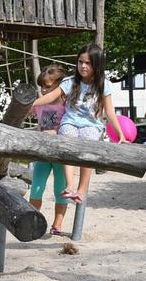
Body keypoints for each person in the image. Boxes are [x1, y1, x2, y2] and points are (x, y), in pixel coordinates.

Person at [30, 43, 128, 205]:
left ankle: (81, 190)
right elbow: (51, 96)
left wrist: (121, 135)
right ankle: (70, 185)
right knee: (67, 138)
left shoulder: (104, 85)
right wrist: (32, 104)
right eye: (80, 62)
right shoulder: (70, 82)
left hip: (92, 124)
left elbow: (109, 112)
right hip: (71, 121)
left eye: (88, 63)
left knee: (87, 146)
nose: (83, 66)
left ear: (97, 65)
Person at [27, 65, 70, 236]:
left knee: (61, 189)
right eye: (42, 87)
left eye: (48, 86)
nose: (44, 90)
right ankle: (33, 220)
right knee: (36, 188)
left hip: (61, 155)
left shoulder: (68, 106)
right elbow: (31, 116)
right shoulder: (39, 105)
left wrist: (56, 132)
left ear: (59, 85)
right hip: (43, 154)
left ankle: (57, 225)